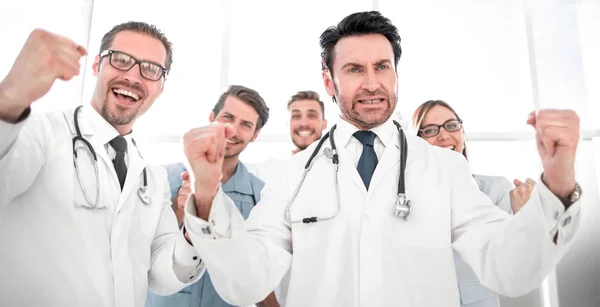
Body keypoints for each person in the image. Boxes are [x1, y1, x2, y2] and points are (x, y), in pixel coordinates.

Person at [181, 11, 582, 306]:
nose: (372, 83)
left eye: (382, 67)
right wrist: (205, 193)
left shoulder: (445, 168)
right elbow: (248, 281)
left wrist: (558, 183)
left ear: (395, 74)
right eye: (354, 69)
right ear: (329, 81)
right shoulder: (291, 177)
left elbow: (505, 266)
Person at [0, 23, 204, 307]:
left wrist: (199, 222)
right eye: (121, 60)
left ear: (160, 87)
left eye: (150, 69)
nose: (133, 76)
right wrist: (9, 96)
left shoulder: (152, 178)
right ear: (97, 64)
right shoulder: (40, 132)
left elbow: (161, 275)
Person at [146, 85, 279, 307]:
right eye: (228, 117)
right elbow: (144, 247)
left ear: (255, 135)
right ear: (211, 118)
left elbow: (260, 275)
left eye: (245, 125)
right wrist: (181, 208)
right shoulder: (161, 179)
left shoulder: (262, 196)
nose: (233, 131)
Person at [411, 99, 537, 307]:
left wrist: (526, 217)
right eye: (430, 130)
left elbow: (510, 262)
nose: (444, 135)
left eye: (451, 125)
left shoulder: (496, 189)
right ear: (416, 142)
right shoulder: (405, 199)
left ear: (462, 132)